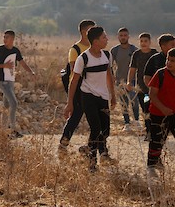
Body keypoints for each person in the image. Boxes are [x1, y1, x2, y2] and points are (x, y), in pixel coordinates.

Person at [64, 26, 117, 171]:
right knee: (96, 128)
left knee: (105, 131)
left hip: (103, 96)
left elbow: (109, 76)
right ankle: (92, 162)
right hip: (87, 96)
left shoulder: (107, 55)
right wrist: (69, 104)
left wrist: (113, 96)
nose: (107, 40)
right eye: (104, 38)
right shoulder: (84, 58)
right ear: (95, 41)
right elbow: (74, 81)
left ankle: (87, 148)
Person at [0, 30, 35, 138]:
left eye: (7, 37)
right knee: (14, 103)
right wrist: (3, 65)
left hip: (10, 80)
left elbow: (23, 63)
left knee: (6, 105)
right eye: (4, 37)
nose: (4, 39)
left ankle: (2, 131)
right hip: (1, 80)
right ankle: (12, 130)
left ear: (12, 39)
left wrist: (31, 72)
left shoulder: (15, 51)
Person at [58, 19, 96, 153]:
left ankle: (93, 147)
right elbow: (75, 70)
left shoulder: (96, 49)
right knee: (76, 116)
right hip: (79, 87)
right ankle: (63, 143)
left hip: (92, 87)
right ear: (82, 32)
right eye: (89, 30)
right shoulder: (75, 49)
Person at [146, 48, 175, 177]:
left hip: (173, 114)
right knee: (157, 140)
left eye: (173, 61)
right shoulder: (160, 74)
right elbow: (152, 94)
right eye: (168, 59)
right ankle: (151, 166)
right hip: (158, 113)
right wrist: (163, 109)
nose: (169, 62)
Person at [127, 33, 158, 140]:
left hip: (154, 89)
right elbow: (132, 69)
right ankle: (148, 132)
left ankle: (156, 132)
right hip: (142, 89)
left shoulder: (155, 54)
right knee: (145, 110)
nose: (143, 43)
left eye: (145, 41)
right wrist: (129, 82)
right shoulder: (136, 54)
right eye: (141, 41)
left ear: (150, 42)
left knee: (154, 110)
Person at [110, 27, 138, 131]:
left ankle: (137, 121)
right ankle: (127, 123)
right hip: (120, 80)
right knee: (123, 103)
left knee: (134, 101)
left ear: (128, 36)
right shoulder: (114, 50)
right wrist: (112, 76)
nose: (123, 37)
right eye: (121, 35)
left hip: (132, 80)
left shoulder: (134, 50)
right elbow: (110, 65)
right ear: (118, 37)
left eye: (125, 35)